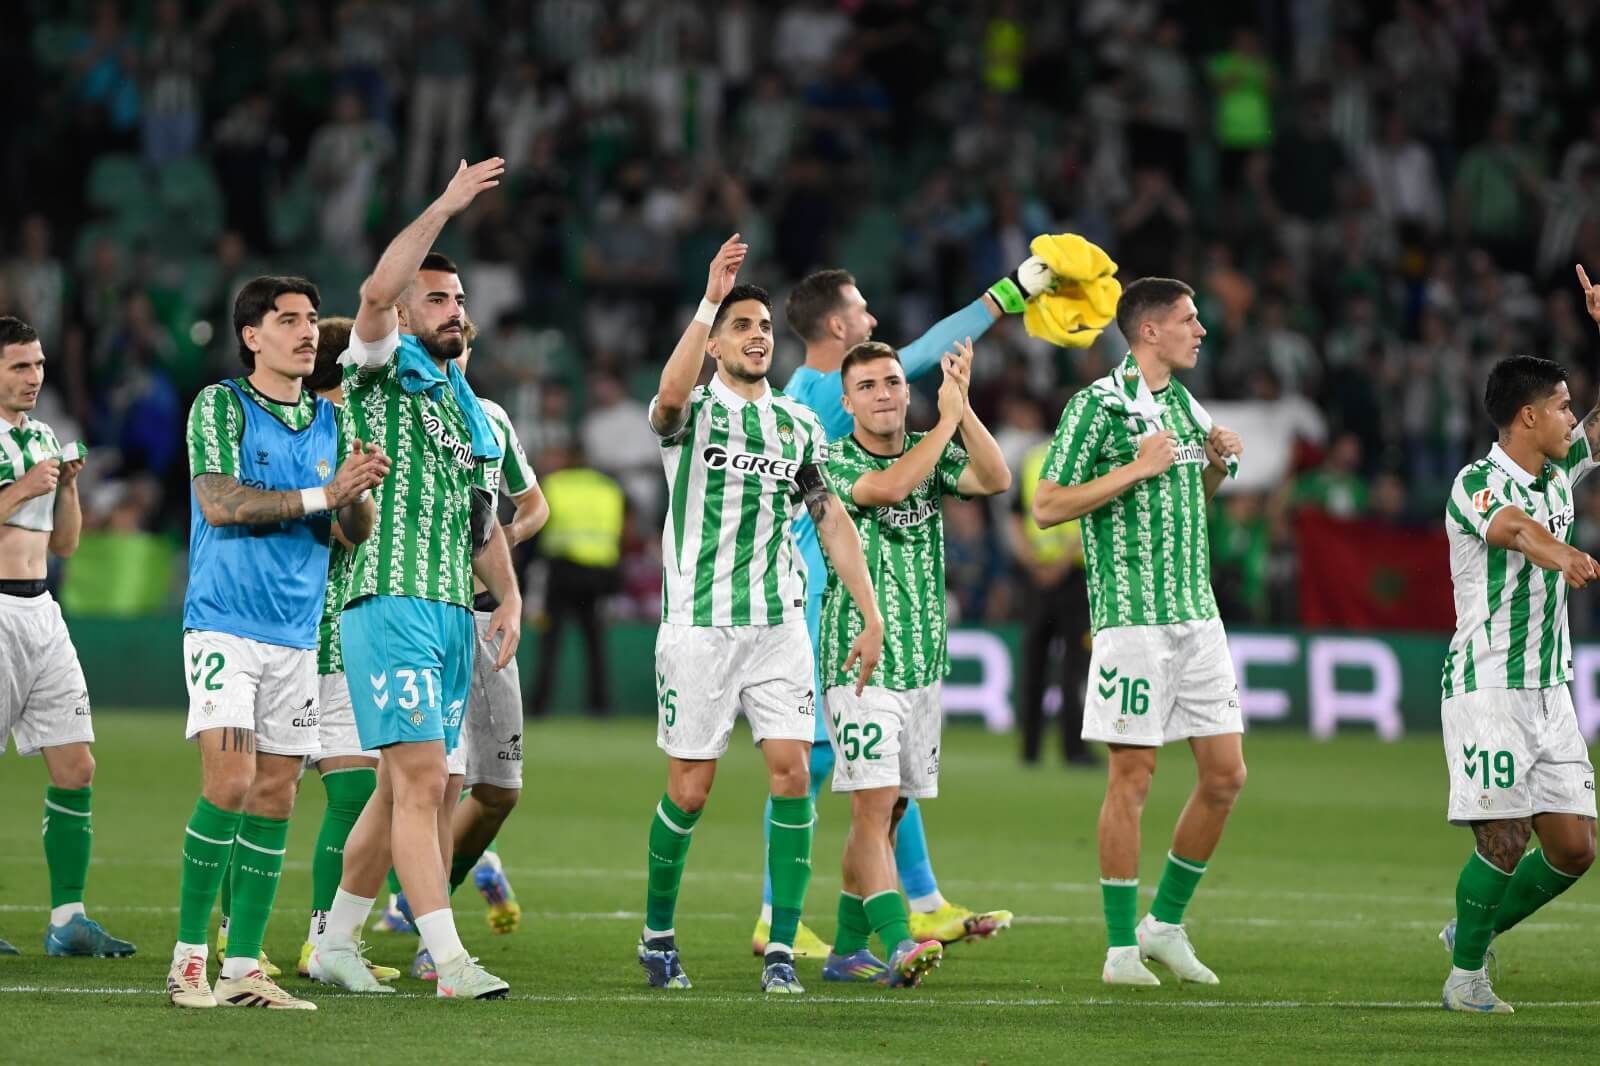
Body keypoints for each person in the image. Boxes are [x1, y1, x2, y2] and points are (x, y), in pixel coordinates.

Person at [751, 251, 1056, 954]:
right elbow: (919, 355)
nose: (873, 320)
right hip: (826, 598)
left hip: (844, 595)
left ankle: (912, 904)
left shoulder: (815, 394)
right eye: (861, 311)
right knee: (819, 767)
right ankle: (789, 916)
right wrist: (1007, 294)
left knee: (866, 771)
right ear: (837, 328)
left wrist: (957, 411)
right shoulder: (819, 392)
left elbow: (988, 473)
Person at [637, 235, 883, 996]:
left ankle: (781, 947)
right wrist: (710, 298)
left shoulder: (799, 427)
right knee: (690, 791)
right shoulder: (693, 414)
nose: (758, 336)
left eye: (765, 327)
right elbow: (667, 398)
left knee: (792, 775)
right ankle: (657, 934)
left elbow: (831, 520)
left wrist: (869, 614)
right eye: (741, 327)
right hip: (700, 626)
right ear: (714, 344)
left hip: (780, 625)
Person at [307, 159, 525, 1002]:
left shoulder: (467, 406)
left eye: (459, 300)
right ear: (402, 314)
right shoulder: (379, 369)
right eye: (436, 299)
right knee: (425, 783)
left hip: (449, 611)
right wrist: (444, 205)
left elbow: (481, 518)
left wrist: (509, 594)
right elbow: (373, 289)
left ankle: (336, 942)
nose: (454, 310)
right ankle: (450, 961)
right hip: (388, 601)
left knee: (398, 787)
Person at [167, 278, 389, 1009]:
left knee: (274, 795)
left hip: (297, 636)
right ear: (251, 336)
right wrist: (326, 495)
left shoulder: (333, 424)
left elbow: (353, 532)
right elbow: (218, 503)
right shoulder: (221, 405)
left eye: (309, 320)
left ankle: (242, 970)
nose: (306, 332)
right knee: (229, 784)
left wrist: (360, 489)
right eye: (287, 320)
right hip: (225, 625)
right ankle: (188, 961)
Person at [1032, 277, 1247, 987]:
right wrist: (1135, 466)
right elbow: (1048, 505)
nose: (1201, 330)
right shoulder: (1096, 406)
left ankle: (1165, 925)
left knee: (1226, 775)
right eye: (1189, 319)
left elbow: (1187, 498)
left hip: (1197, 616)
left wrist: (1213, 467)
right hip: (1132, 621)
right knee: (1133, 777)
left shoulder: (1183, 405)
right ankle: (1121, 947)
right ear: (1149, 330)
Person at [816, 338, 1012, 986]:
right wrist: (947, 423)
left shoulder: (932, 448)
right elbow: (889, 487)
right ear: (847, 403)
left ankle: (847, 949)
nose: (883, 395)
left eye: (893, 382)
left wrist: (963, 407)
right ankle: (900, 941)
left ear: (907, 390)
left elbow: (996, 478)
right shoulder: (831, 460)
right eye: (867, 386)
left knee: (891, 813)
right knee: (872, 808)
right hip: (860, 661)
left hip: (923, 662)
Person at [1434, 264, 1600, 1014]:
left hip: (1549, 688)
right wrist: (1560, 553)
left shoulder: (1560, 474)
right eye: (1563, 407)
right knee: (1503, 838)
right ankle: (1465, 977)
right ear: (1527, 417)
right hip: (1488, 683)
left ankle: (1470, 929)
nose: (1572, 418)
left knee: (1575, 849)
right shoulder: (1476, 482)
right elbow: (1511, 529)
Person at [396, 317, 549, 980]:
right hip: (419, 616)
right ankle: (422, 936)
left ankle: (440, 888)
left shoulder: (489, 420)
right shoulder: (402, 412)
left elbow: (534, 505)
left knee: (499, 791)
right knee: (415, 781)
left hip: (485, 621)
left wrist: (496, 549)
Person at [0, 315, 135, 960]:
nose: (34, 377)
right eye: (19, 366)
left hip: (41, 612)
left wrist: (70, 486)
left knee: (77, 764)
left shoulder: (44, 437)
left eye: (39, 365)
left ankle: (68, 920)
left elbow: (66, 544)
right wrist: (21, 489)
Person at [290, 315, 399, 984]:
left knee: (358, 788)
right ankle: (231, 936)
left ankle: (323, 942)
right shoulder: (308, 433)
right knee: (258, 792)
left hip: (341, 631)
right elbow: (337, 529)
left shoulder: (347, 432)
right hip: (291, 630)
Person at [1012, 440, 1096, 767]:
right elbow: (1092, 514)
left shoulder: (1031, 459)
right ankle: (1074, 750)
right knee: (1073, 667)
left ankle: (1030, 750)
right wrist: (1055, 564)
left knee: (1035, 665)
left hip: (1043, 576)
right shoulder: (1086, 459)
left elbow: (1014, 517)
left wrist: (1031, 561)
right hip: (1069, 574)